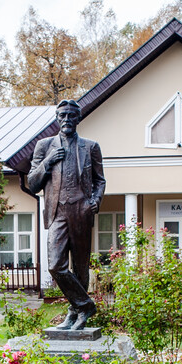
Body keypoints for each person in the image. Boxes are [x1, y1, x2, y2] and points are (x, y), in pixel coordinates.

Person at [26, 99, 106, 330]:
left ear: (78, 119)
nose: (67, 120)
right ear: (57, 118)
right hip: (57, 212)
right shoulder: (44, 146)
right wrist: (48, 162)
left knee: (80, 266)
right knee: (56, 265)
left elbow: (100, 180)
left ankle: (75, 314)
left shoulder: (91, 147)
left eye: (71, 115)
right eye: (62, 116)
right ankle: (85, 305)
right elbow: (32, 183)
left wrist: (95, 201)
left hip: (82, 210)